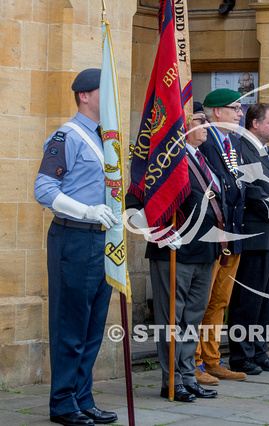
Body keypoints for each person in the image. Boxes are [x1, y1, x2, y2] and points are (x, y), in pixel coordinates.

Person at [34, 68, 118, 425]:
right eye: (105, 90)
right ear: (84, 95)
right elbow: (44, 190)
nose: (111, 97)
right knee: (71, 324)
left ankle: (82, 396)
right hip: (75, 236)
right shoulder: (65, 136)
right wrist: (85, 209)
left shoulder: (106, 139)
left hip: (103, 238)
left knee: (93, 324)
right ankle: (63, 402)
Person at [126, 102, 220, 402]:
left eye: (206, 120)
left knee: (192, 318)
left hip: (205, 251)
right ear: (182, 127)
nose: (205, 126)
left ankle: (188, 375)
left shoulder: (203, 158)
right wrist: (158, 232)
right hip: (174, 252)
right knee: (172, 320)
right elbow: (134, 204)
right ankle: (172, 380)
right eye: (199, 120)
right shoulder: (164, 162)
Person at [227, 103, 269, 374]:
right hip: (256, 234)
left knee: (265, 300)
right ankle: (241, 357)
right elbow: (252, 190)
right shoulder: (241, 149)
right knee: (247, 300)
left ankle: (259, 351)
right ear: (255, 123)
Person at [195, 88, 247, 384]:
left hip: (233, 233)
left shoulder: (232, 142)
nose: (240, 114)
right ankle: (196, 362)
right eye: (235, 109)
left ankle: (212, 359)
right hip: (214, 235)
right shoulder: (205, 142)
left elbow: (237, 185)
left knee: (219, 301)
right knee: (201, 301)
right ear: (217, 111)